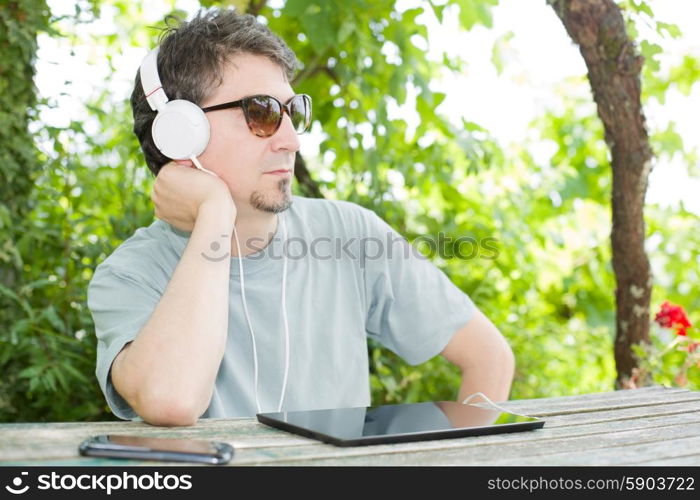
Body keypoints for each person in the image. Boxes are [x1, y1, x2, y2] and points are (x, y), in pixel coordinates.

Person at [87, 8, 515, 427]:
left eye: (292, 112)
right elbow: (170, 400)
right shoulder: (129, 275)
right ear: (181, 132)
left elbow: (489, 357)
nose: (291, 140)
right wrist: (215, 213)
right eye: (263, 112)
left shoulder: (349, 234)